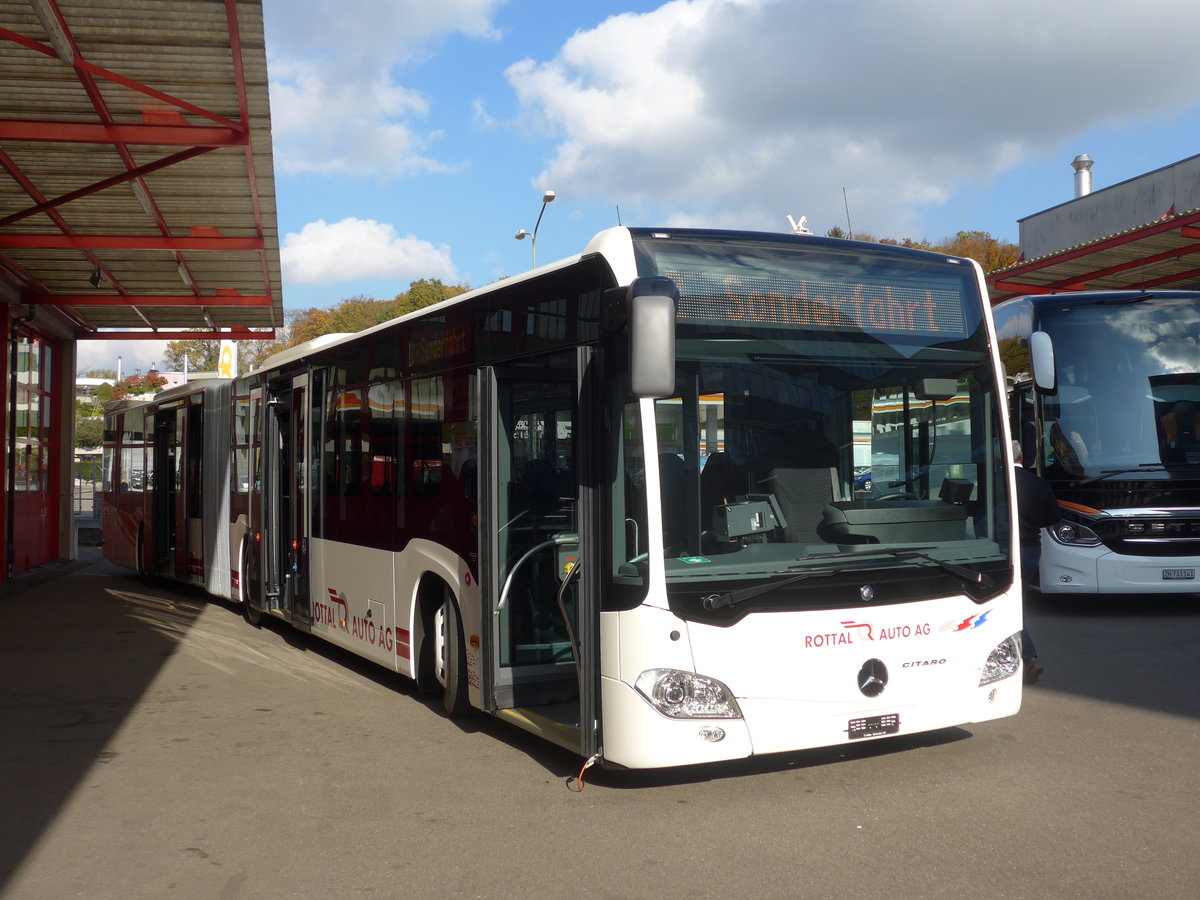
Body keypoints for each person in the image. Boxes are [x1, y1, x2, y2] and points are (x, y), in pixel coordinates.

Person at [1012, 441, 1059, 684]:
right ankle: (1024, 659)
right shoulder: (1040, 483)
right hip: (1031, 549)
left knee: (1010, 607)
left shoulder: (999, 483)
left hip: (1006, 550)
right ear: (1023, 456)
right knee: (1018, 602)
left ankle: (1028, 658)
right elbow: (1052, 518)